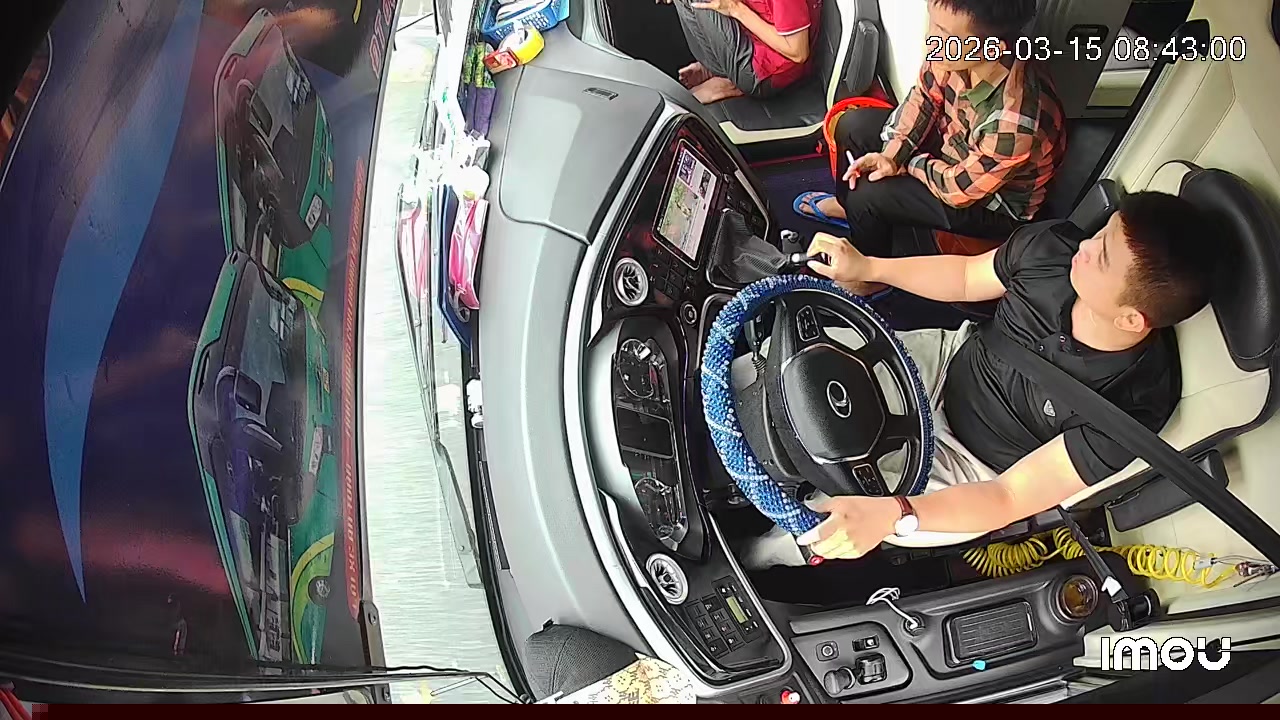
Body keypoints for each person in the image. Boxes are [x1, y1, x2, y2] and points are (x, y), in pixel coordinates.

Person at [736, 192, 1223, 568]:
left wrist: (894, 513)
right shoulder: (1054, 248)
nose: (1087, 245)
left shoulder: (1132, 407)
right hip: (947, 363)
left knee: (835, 518)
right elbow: (969, 276)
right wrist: (869, 267)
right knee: (797, 363)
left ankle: (762, 552)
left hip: (976, 470)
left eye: (1104, 256)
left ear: (1132, 319)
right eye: (1102, 233)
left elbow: (1008, 497)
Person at [794, 0, 1066, 295]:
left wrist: (907, 164)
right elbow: (923, 98)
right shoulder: (949, 53)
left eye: (944, 33)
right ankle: (850, 208)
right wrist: (892, 154)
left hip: (992, 202)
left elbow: (958, 189)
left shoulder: (1016, 120)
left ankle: (871, 275)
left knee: (868, 192)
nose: (930, 40)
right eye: (933, 24)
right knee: (853, 126)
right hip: (954, 148)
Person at [661, 0, 822, 104]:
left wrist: (736, 9)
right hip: (749, 39)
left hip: (765, 72)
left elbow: (798, 52)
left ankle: (732, 83)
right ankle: (722, 71)